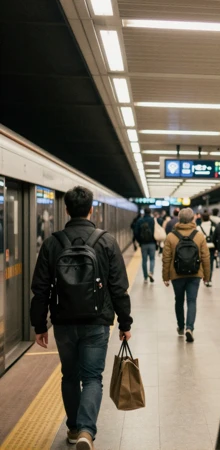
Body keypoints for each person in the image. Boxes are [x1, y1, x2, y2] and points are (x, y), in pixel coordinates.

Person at [30, 186, 133, 450]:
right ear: (91, 209)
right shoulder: (106, 241)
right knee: (92, 378)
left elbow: (40, 288)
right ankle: (87, 431)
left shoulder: (53, 243)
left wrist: (40, 324)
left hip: (63, 322)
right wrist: (125, 323)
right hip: (97, 322)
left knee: (69, 375)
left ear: (65, 209)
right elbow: (119, 287)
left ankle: (74, 429)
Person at [162, 208, 211, 343]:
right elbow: (206, 257)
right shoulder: (199, 235)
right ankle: (190, 328)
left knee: (179, 300)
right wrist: (207, 275)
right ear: (193, 219)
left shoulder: (171, 236)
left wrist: (165, 276)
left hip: (176, 274)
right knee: (192, 300)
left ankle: (181, 327)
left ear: (179, 219)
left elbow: (166, 258)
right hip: (195, 274)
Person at [134, 208, 156, 283]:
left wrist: (140, 241)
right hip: (152, 243)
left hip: (143, 244)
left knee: (144, 260)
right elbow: (157, 231)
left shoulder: (140, 221)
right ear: (150, 212)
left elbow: (136, 232)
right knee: (152, 259)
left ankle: (145, 278)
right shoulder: (153, 220)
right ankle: (151, 272)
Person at [197, 212, 216, 287]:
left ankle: (204, 278)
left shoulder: (198, 228)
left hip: (202, 247)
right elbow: (215, 238)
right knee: (210, 263)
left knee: (202, 263)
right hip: (211, 247)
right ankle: (209, 279)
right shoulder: (213, 227)